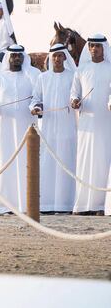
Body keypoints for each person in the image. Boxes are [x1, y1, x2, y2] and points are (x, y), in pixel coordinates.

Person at [0, 44, 38, 214]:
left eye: (19, 56)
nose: (16, 58)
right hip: (4, 127)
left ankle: (26, 204)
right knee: (4, 161)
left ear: (23, 57)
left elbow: (37, 97)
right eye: (13, 56)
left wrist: (36, 106)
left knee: (26, 163)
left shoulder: (32, 75)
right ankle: (3, 205)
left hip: (27, 127)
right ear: (8, 57)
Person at [30, 43, 77, 213]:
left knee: (66, 163)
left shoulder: (73, 76)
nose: (57, 59)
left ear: (65, 57)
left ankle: (66, 204)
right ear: (50, 58)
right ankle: (47, 204)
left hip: (67, 129)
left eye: (60, 56)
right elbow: (35, 99)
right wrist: (35, 107)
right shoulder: (43, 78)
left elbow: (76, 96)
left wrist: (76, 102)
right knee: (48, 164)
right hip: (49, 129)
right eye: (54, 56)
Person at [70, 34, 111, 214]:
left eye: (97, 46)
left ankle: (101, 205)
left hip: (105, 121)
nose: (94, 49)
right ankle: (83, 205)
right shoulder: (81, 70)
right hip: (86, 122)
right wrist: (75, 101)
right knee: (85, 159)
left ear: (104, 48)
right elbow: (74, 93)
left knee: (103, 159)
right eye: (91, 46)